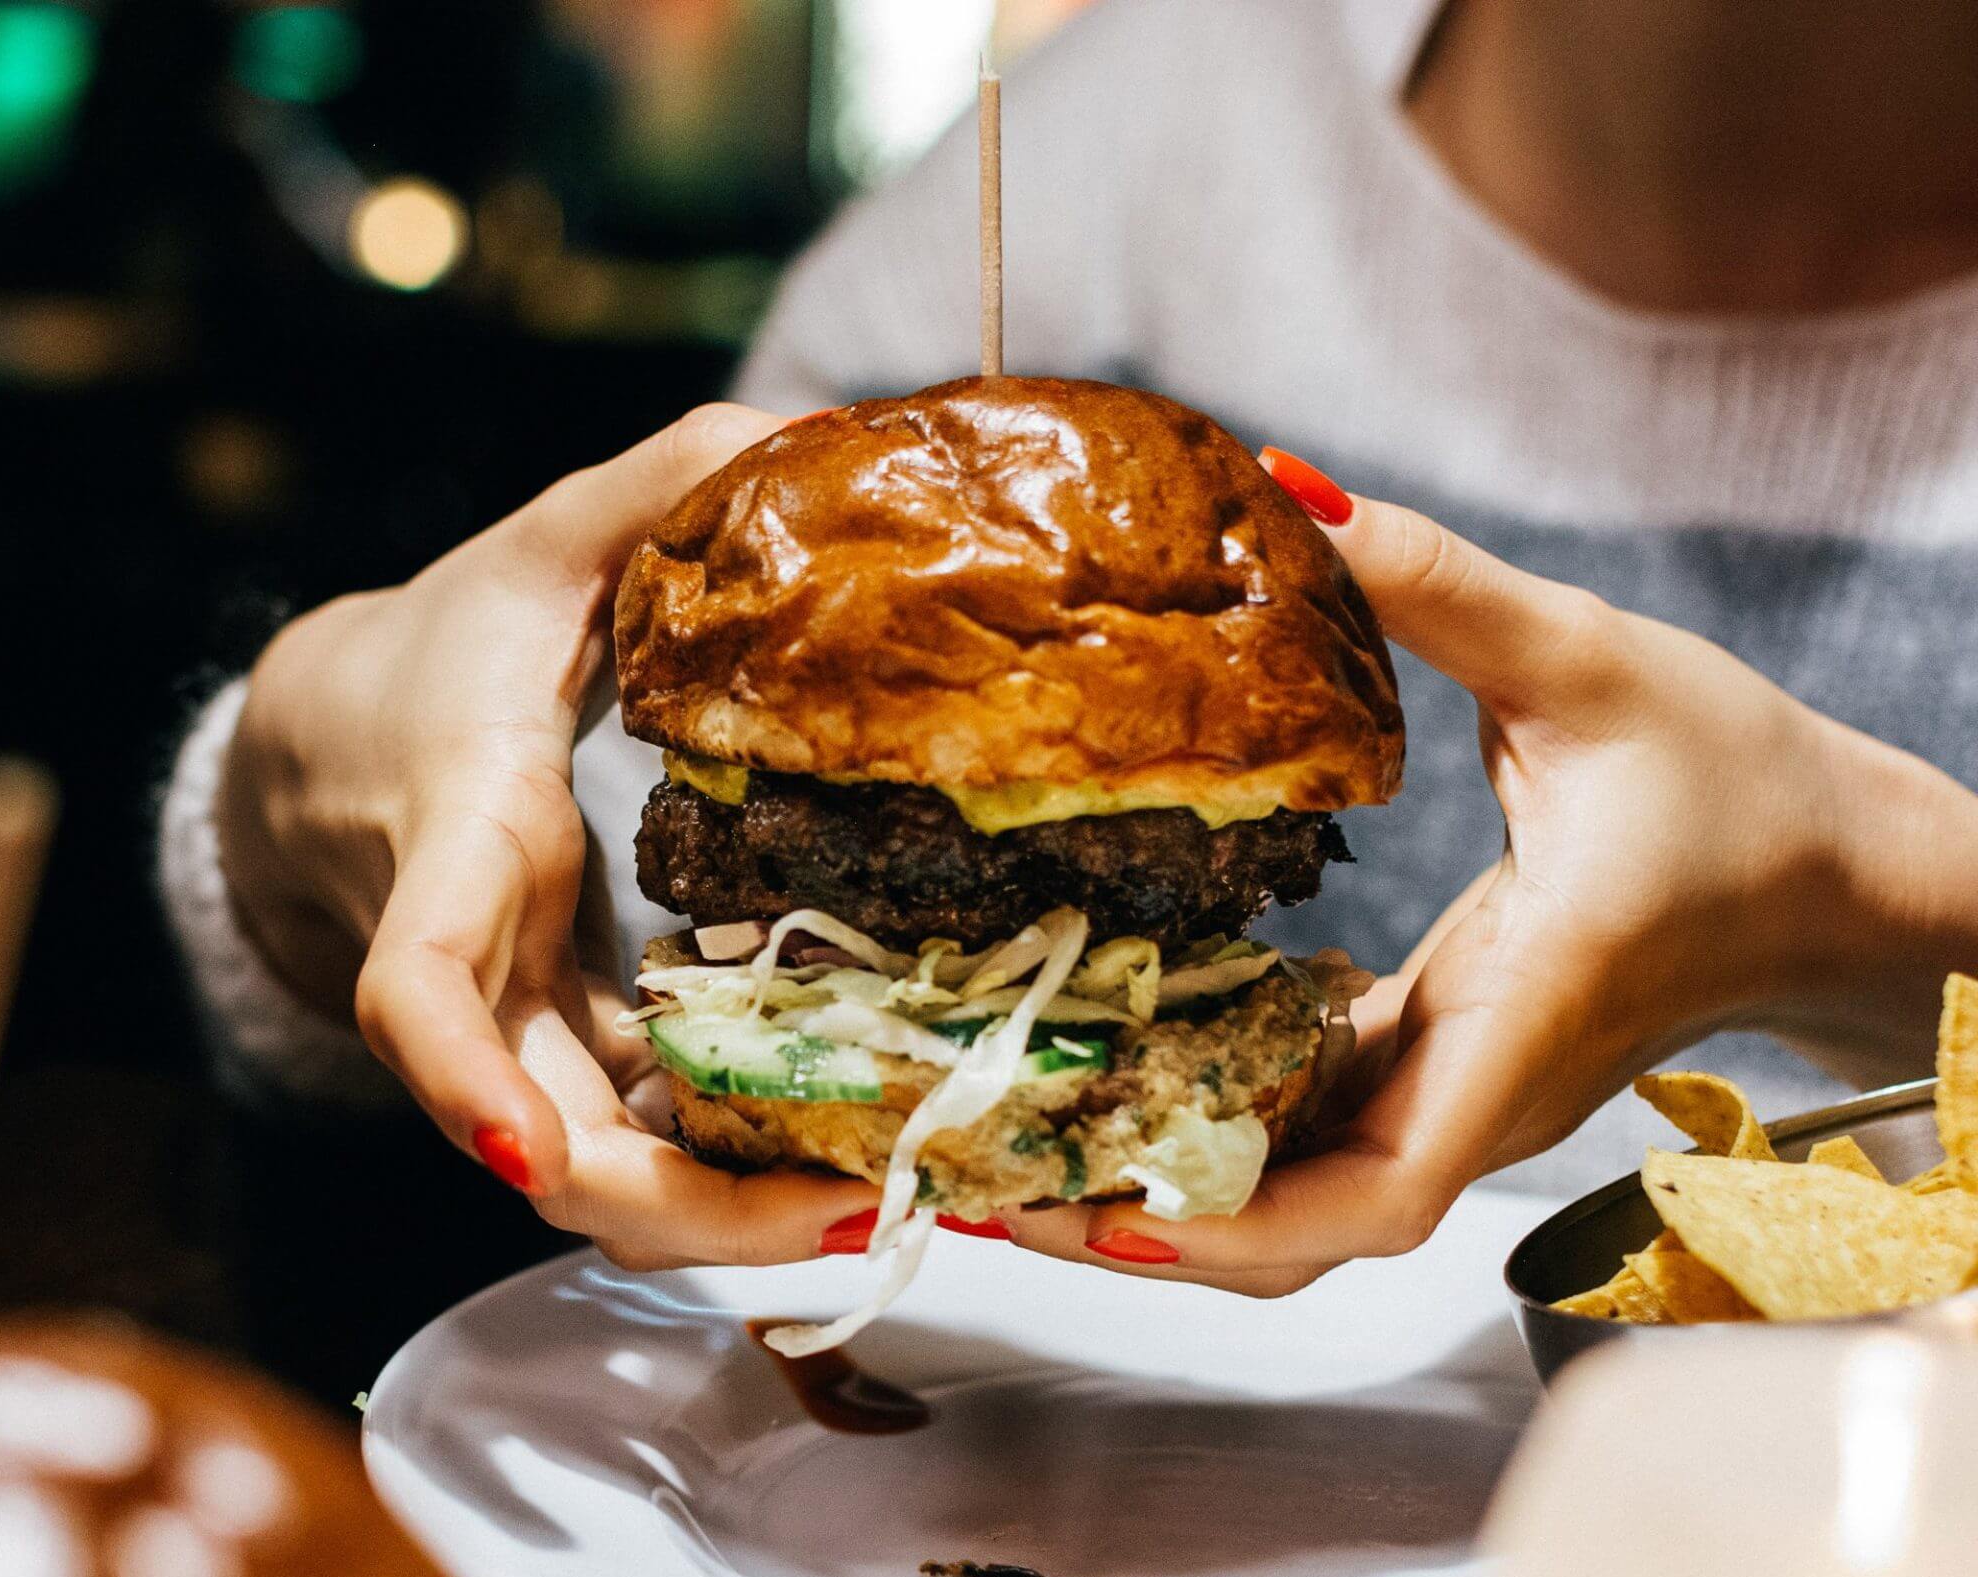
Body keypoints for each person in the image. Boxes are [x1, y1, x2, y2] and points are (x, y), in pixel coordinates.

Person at [162, 0, 1978, 1292]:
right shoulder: (1128, 137)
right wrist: (305, 762)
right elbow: (566, 960)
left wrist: (1864, 886)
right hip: (890, 1564)